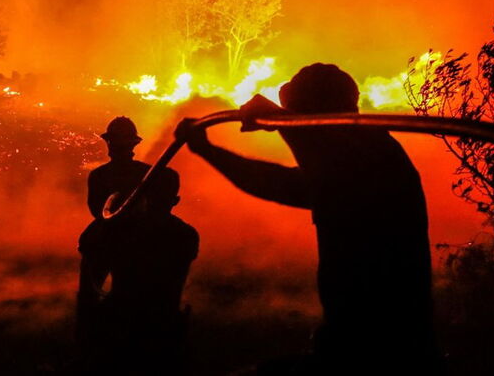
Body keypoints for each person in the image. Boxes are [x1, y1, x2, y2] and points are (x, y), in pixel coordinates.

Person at [176, 63, 440, 374]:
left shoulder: (374, 150)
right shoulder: (343, 167)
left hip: (387, 351)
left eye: (300, 112)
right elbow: (274, 182)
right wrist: (207, 150)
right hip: (348, 343)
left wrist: (281, 121)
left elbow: (328, 151)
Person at [77, 117, 199, 375]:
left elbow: (160, 199)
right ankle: (92, 326)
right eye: (114, 142)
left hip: (139, 232)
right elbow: (98, 211)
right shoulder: (103, 176)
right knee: (90, 249)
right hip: (112, 232)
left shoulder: (149, 175)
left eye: (120, 142)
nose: (117, 147)